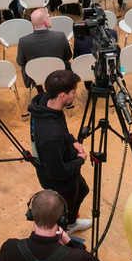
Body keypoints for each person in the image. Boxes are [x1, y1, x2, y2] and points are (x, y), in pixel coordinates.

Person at [28, 71, 92, 233]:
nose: (75, 94)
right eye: (73, 91)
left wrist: (73, 141)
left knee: (83, 190)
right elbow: (57, 172)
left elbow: (63, 131)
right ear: (63, 95)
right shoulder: (51, 136)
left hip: (66, 165)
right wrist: (80, 160)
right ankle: (63, 231)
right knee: (64, 209)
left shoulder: (46, 102)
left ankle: (71, 223)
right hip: (60, 180)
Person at [17, 8, 73, 88]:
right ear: (46, 22)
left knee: (26, 65)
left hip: (35, 76)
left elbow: (20, 62)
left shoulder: (23, 41)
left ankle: (39, 88)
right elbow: (68, 56)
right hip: (58, 74)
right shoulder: (60, 36)